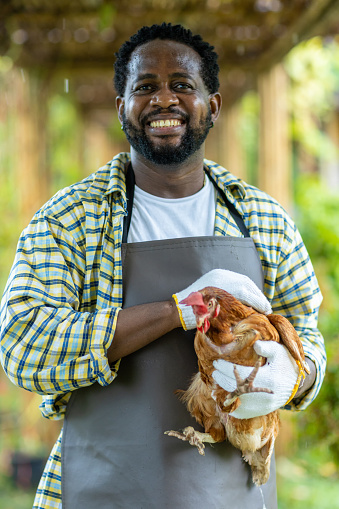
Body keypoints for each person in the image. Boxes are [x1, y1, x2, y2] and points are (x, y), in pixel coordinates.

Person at [0, 23, 325, 509]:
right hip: (103, 491)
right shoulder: (71, 219)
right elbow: (22, 345)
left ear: (212, 106)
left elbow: (309, 341)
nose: (164, 100)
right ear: (121, 107)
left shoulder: (263, 221)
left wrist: (291, 374)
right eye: (145, 87)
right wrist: (179, 310)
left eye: (182, 86)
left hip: (230, 494)